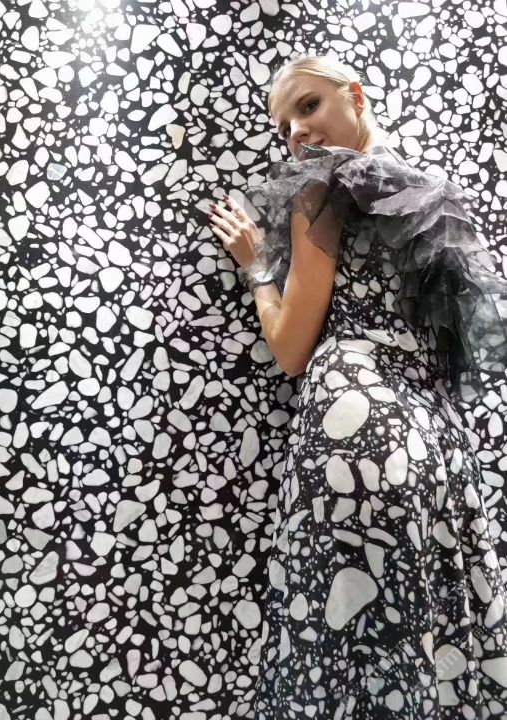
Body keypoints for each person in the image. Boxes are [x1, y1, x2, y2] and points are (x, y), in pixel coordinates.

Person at [207, 55, 507, 719]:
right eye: (284, 125)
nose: (297, 133)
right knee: (423, 630)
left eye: (308, 105)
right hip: (434, 441)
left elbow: (291, 349)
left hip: (353, 416)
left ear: (357, 96)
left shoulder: (322, 187)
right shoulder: (436, 199)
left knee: (341, 641)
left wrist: (258, 269)